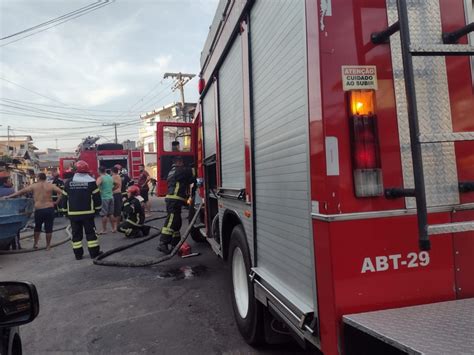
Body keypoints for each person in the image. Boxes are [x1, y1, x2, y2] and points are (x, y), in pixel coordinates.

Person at [4, 172, 63, 250]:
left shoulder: (34, 186)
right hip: (49, 208)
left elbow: (21, 192)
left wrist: (8, 196)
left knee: (37, 227)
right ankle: (48, 246)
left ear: (38, 178)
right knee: (49, 228)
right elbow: (61, 192)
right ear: (45, 178)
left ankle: (35, 244)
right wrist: (56, 202)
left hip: (39, 209)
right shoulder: (50, 185)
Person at [60, 160, 102, 260]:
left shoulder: (68, 183)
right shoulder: (91, 182)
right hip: (88, 214)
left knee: (76, 235)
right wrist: (97, 210)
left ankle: (78, 255)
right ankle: (94, 254)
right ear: (87, 172)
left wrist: (65, 211)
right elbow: (97, 198)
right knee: (91, 234)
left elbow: (64, 198)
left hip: (73, 215)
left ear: (75, 171)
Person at [158, 156, 196, 254]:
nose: (183, 163)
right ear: (178, 162)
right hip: (174, 199)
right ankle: (163, 243)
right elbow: (193, 172)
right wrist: (195, 166)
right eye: (181, 161)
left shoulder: (172, 171)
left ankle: (176, 243)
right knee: (171, 221)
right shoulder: (180, 170)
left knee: (177, 221)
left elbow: (188, 181)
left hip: (174, 199)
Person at [96, 166, 115, 234]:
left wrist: (99, 191)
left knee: (104, 214)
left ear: (99, 171)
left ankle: (104, 230)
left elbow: (95, 186)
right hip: (111, 197)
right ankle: (114, 228)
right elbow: (114, 186)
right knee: (111, 214)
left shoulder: (101, 178)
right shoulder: (110, 177)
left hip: (104, 198)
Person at [111, 166, 122, 230]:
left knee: (116, 211)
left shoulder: (114, 177)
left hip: (115, 194)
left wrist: (111, 190)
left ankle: (116, 226)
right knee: (118, 210)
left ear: (112, 171)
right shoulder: (118, 176)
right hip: (119, 194)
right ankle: (118, 225)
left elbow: (117, 185)